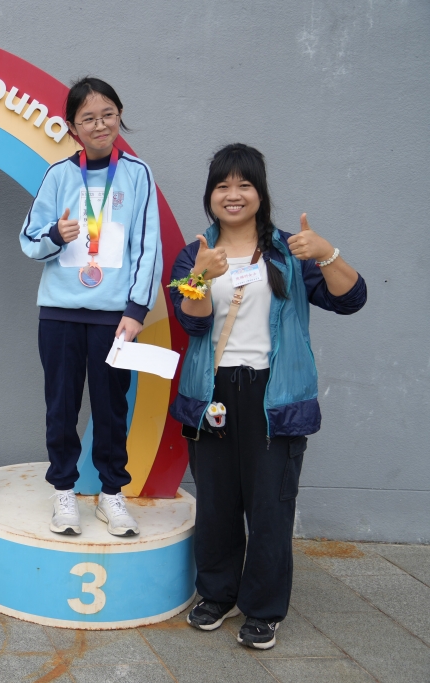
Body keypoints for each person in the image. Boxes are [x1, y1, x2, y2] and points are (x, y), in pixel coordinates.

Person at [169, 143, 366, 649]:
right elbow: (193, 326)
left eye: (244, 184)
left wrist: (326, 253)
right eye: (222, 185)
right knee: (216, 502)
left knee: (270, 507)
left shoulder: (289, 251)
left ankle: (263, 608)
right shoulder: (196, 253)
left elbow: (352, 299)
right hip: (212, 391)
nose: (233, 194)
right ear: (210, 195)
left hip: (273, 394)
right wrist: (200, 278)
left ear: (260, 192)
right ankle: (217, 594)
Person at [19, 77, 162, 536]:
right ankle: (63, 490)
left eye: (108, 115)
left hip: (114, 318)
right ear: (72, 127)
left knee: (111, 407)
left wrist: (136, 310)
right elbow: (29, 239)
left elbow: (148, 245)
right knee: (60, 406)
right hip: (59, 313)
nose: (100, 125)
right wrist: (55, 236)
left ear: (119, 116)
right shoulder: (60, 175)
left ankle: (111, 493)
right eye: (88, 119)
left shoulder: (137, 174)